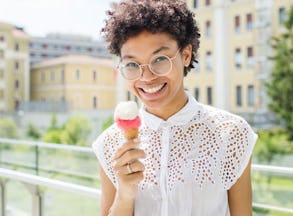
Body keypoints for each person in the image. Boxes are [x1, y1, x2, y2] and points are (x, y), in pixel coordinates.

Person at [92, 0, 258, 215]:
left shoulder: (232, 133)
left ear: (186, 55)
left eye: (159, 59)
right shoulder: (110, 143)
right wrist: (125, 194)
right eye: (132, 64)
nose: (147, 77)